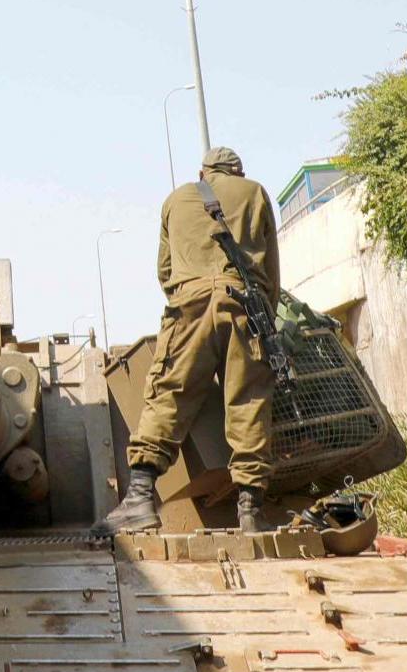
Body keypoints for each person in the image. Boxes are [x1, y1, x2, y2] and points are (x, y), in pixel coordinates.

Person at [94, 146, 281, 536]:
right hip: (246, 305)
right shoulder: (255, 192)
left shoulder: (176, 200)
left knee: (169, 393)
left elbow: (165, 270)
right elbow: (270, 270)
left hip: (190, 303)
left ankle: (141, 498)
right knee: (248, 398)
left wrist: (188, 302)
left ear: (203, 172)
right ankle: (250, 509)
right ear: (237, 171)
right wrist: (266, 317)